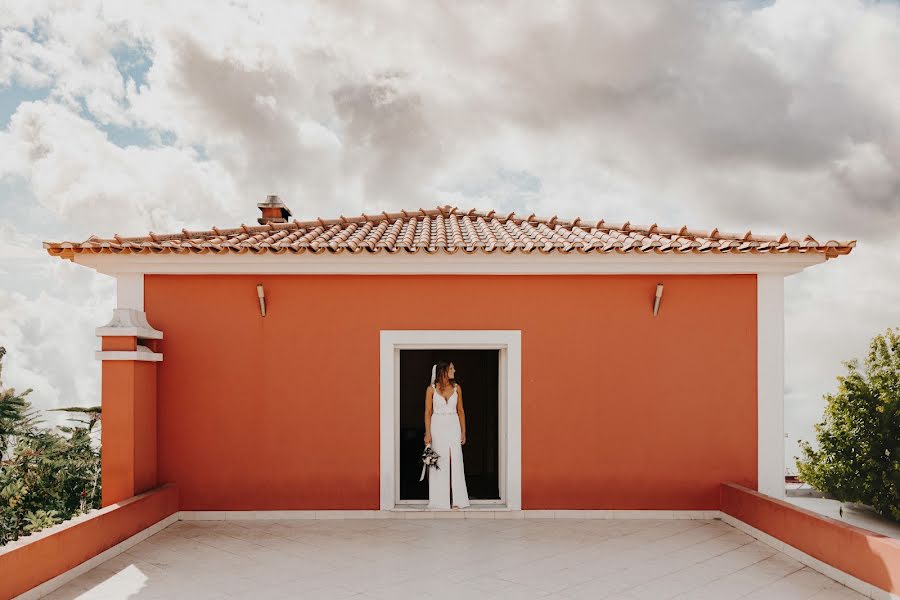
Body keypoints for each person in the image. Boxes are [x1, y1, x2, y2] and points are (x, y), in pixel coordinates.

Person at [424, 360, 470, 509]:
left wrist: (463, 431)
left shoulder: (457, 388)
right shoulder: (431, 389)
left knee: (455, 459)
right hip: (437, 426)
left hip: (453, 425)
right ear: (443, 371)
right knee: (438, 460)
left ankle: (458, 499)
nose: (454, 370)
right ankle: (439, 500)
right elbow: (427, 412)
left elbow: (461, 411)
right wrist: (428, 433)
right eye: (451, 368)